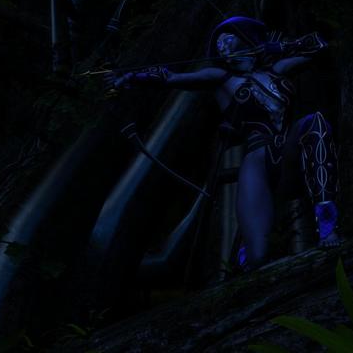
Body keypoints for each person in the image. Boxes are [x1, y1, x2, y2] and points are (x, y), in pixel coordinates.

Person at [106, 16, 340, 270]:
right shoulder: (221, 77)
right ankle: (245, 251)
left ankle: (327, 224)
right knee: (256, 259)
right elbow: (171, 77)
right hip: (257, 162)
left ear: (248, 41)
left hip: (288, 152)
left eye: (230, 41)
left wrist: (279, 47)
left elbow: (319, 46)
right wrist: (130, 76)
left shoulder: (277, 70)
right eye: (221, 47)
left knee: (315, 123)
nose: (225, 49)